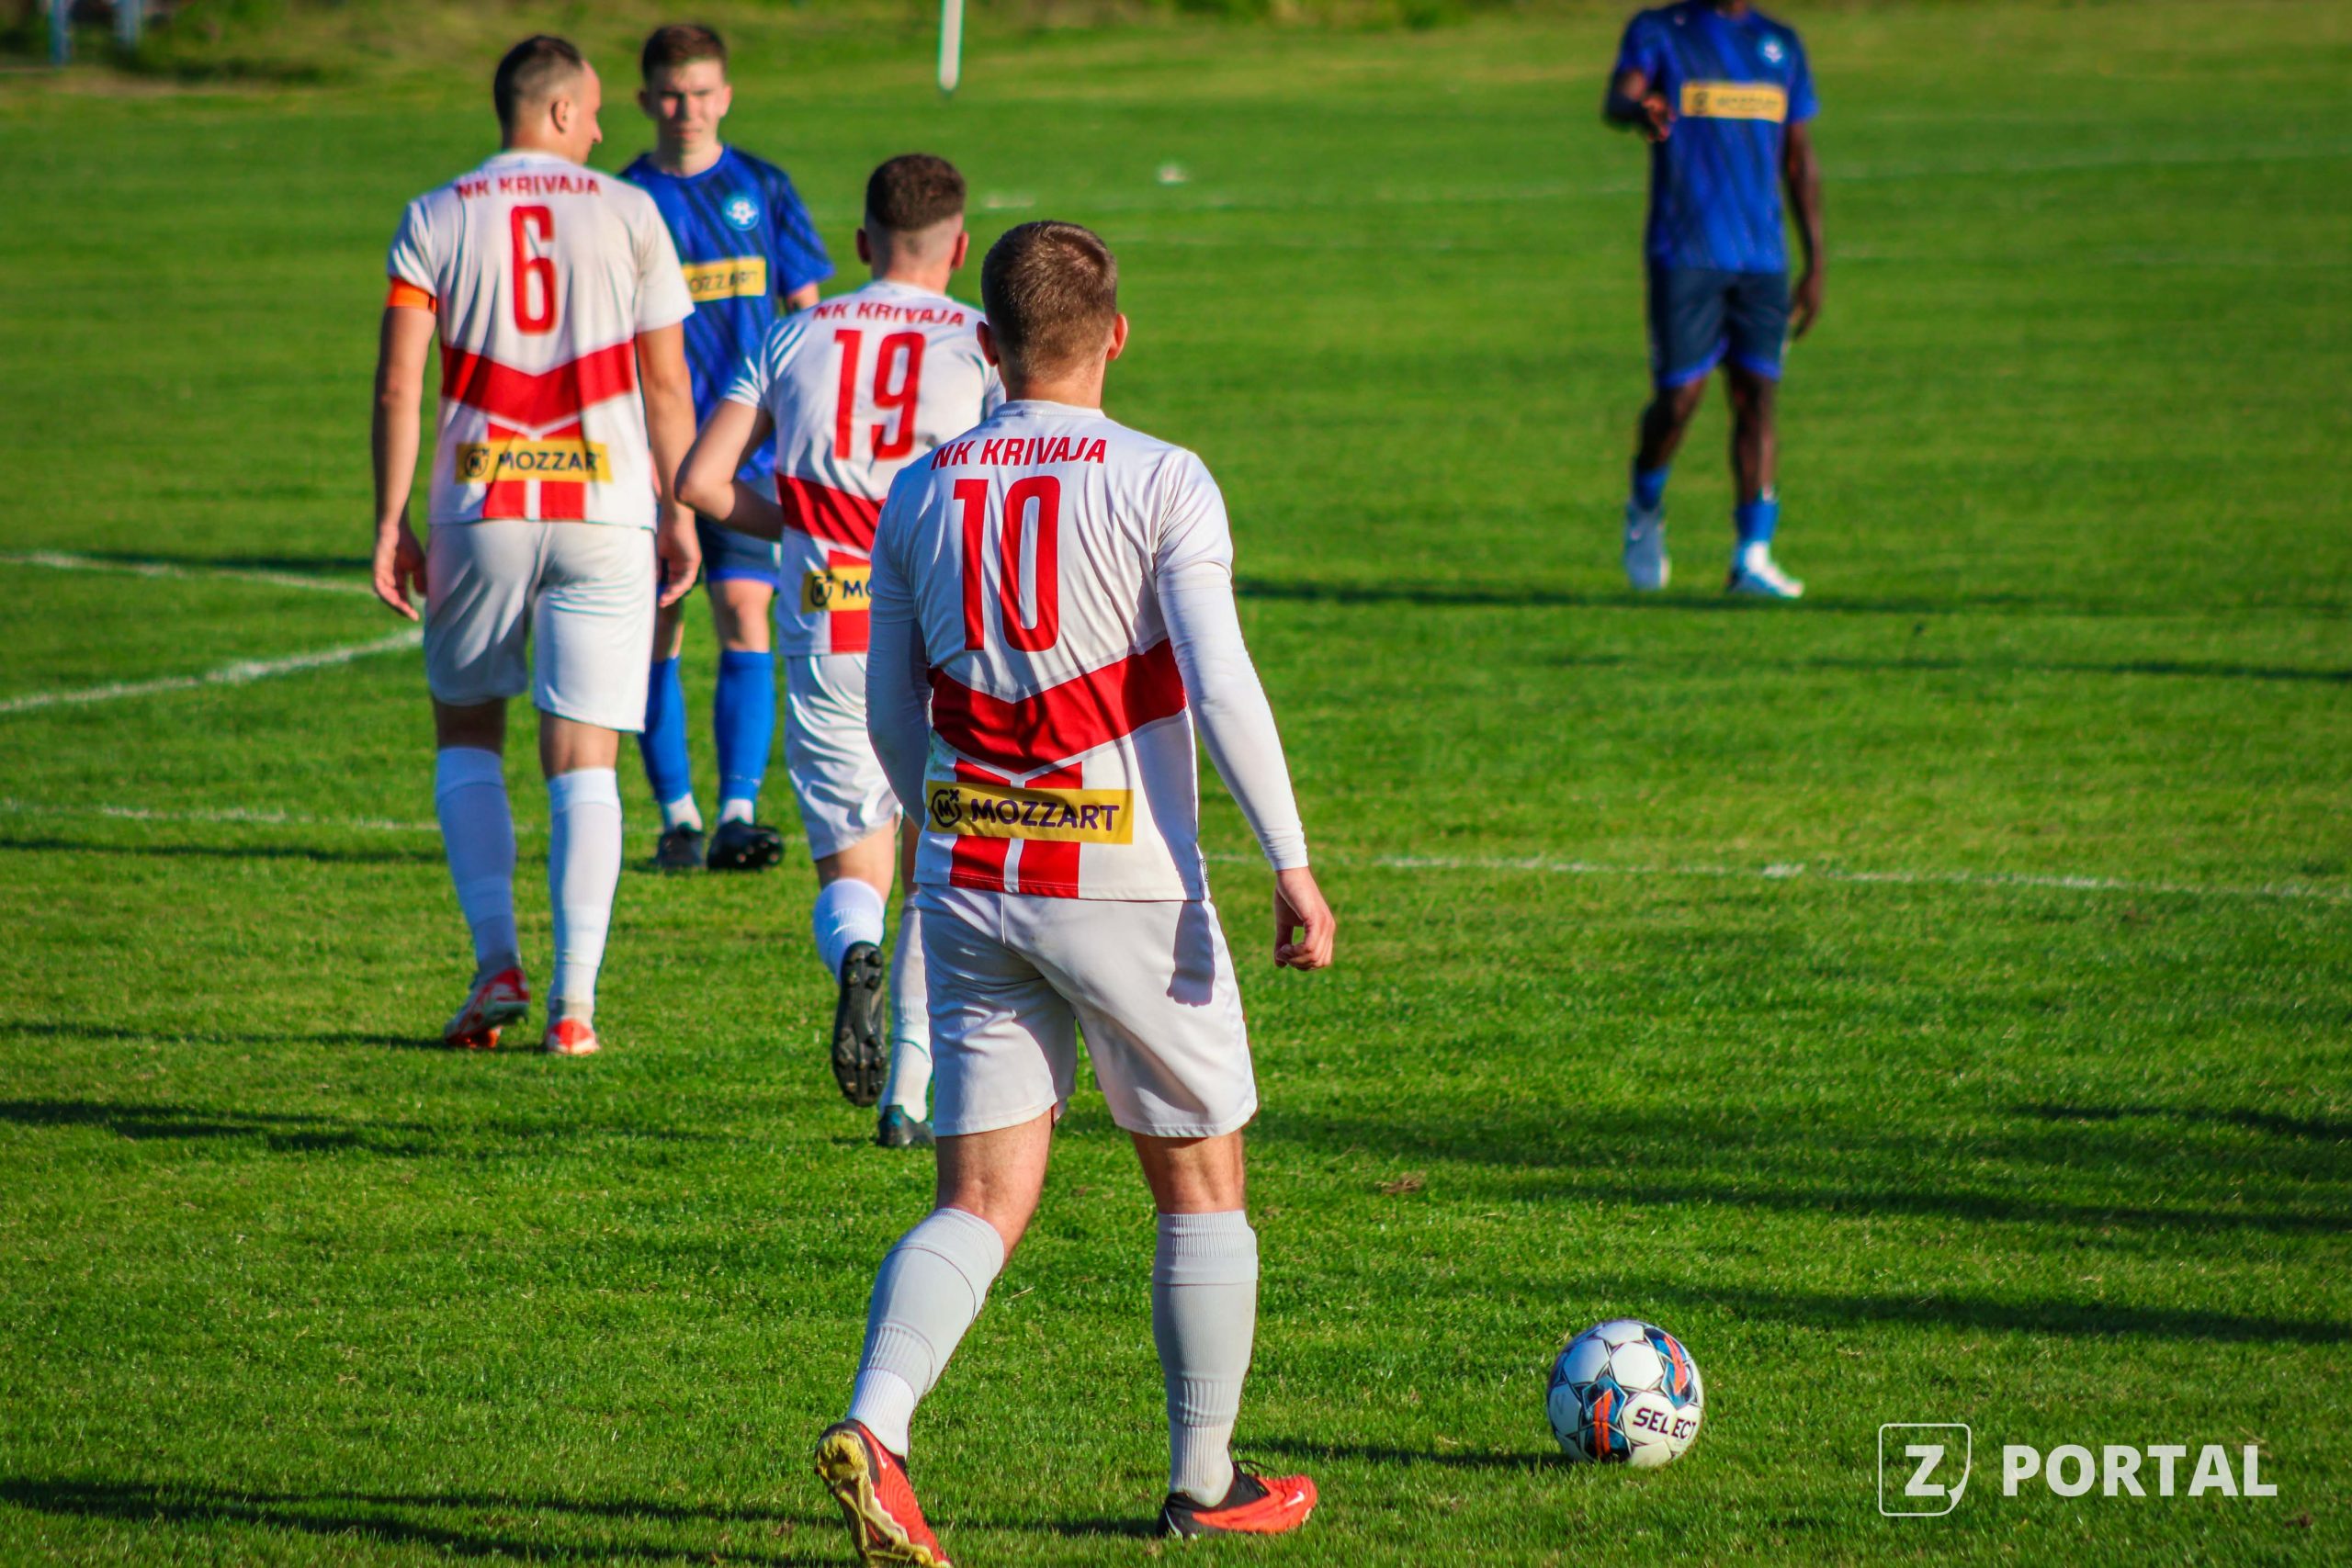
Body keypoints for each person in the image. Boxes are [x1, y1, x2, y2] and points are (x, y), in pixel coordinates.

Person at [807, 220, 1337, 1564]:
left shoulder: (920, 489)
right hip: (1127, 883)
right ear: (1117, 335)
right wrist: (1289, 859)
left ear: (985, 344)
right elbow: (1220, 681)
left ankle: (876, 1425)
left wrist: (954, 818)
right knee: (1199, 1175)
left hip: (969, 876)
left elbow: (888, 709)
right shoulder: (1164, 478)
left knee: (980, 1195)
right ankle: (1204, 1481)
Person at [369, 35, 699, 1055]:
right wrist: (682, 508)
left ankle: (496, 963)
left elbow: (399, 384)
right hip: (606, 506)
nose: (601, 131)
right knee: (585, 754)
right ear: (557, 111)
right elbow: (666, 383)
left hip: (482, 506)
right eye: (593, 112)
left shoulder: (434, 214)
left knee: (468, 730)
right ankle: (575, 1005)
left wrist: (389, 519)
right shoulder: (630, 210)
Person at [678, 154, 1001, 1147]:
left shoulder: (794, 334)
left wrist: (802, 527)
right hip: (942, 629)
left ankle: (854, 950)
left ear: (861, 243)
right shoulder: (979, 342)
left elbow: (701, 481)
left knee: (854, 866)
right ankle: (907, 1099)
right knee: (936, 857)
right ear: (959, 246)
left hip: (831, 617)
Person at [621, 23, 832, 873]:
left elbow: (811, 316)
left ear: (727, 97)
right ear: (645, 100)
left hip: (748, 455)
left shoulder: (763, 187)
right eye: (673, 95)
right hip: (649, 456)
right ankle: (677, 817)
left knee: (747, 612)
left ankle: (738, 813)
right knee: (659, 626)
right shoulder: (627, 200)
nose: (688, 110)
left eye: (703, 93)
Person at [1605, 0, 1823, 598]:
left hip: (1762, 259)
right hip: (1686, 252)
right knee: (1680, 399)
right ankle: (1645, 503)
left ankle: (1752, 555)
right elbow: (1618, 98)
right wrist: (1639, 108)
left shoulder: (1778, 44)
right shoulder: (1661, 31)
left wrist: (1816, 262)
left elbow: (1799, 158)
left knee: (1757, 397)